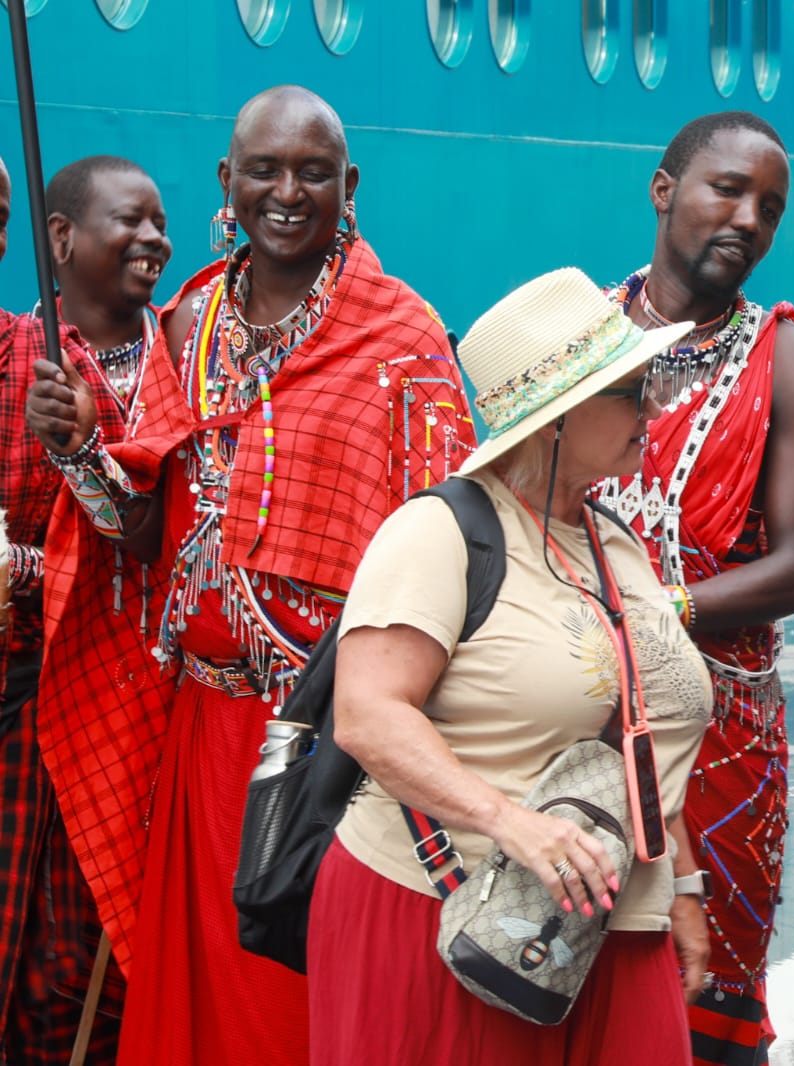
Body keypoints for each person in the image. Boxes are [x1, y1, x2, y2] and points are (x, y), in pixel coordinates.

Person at [26, 87, 475, 1066]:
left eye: (312, 172)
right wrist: (78, 452)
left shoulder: (403, 339)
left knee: (305, 1013)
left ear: (347, 186)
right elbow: (142, 534)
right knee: (205, 1018)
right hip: (200, 731)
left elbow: (453, 553)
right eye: (262, 171)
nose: (286, 192)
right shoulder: (188, 322)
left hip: (329, 750)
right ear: (226, 185)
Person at [314, 267, 711, 1064]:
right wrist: (510, 824)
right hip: (457, 917)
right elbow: (367, 713)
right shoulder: (439, 533)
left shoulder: (614, 543)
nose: (655, 407)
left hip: (606, 921)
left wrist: (685, 888)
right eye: (631, 389)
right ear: (556, 419)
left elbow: (639, 733)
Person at [595, 111, 794, 1064]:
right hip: (575, 709)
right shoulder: (581, 334)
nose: (747, 218)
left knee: (708, 1001)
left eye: (769, 207)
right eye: (725, 189)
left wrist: (655, 611)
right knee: (570, 971)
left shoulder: (789, 358)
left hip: (723, 737)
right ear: (663, 190)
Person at [1, 154, 171, 1063]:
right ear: (59, 239)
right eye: (129, 222)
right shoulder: (10, 363)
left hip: (142, 708)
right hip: (24, 708)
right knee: (25, 958)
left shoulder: (187, 360)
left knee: (101, 961)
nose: (154, 241)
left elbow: (157, 539)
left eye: (160, 223)